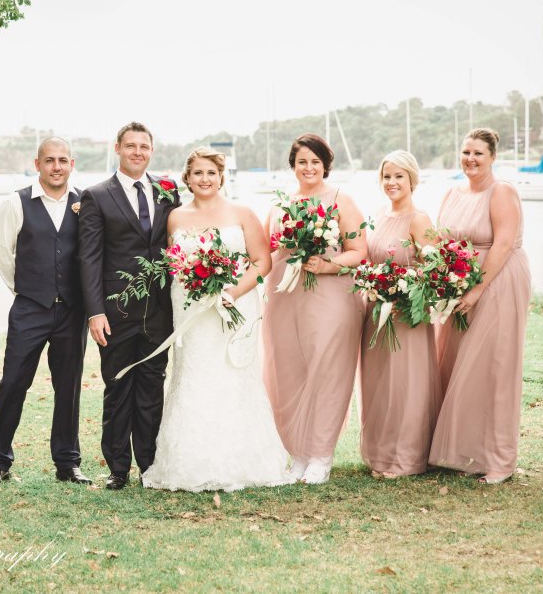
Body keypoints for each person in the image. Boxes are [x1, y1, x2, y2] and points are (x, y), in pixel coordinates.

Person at [142, 148, 293, 492]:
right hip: (191, 310)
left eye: (211, 172)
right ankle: (190, 464)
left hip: (233, 307)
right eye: (197, 173)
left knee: (232, 375)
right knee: (194, 375)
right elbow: (175, 263)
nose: (205, 179)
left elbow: (262, 262)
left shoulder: (242, 213)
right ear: (187, 178)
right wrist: (197, 281)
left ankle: (239, 461)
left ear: (221, 176)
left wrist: (231, 292)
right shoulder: (176, 217)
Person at [0, 138, 90, 486]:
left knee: (68, 386)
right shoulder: (16, 202)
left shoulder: (85, 203)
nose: (56, 167)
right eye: (49, 160)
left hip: (72, 311)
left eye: (62, 160)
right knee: (13, 382)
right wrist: (26, 288)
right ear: (37, 164)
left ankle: (67, 463)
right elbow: (2, 253)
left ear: (71, 164)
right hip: (30, 308)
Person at [78, 122, 181, 490]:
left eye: (144, 146)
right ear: (118, 148)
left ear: (151, 151)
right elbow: (90, 257)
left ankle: (149, 466)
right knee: (118, 387)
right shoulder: (96, 196)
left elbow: (178, 242)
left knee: (152, 387)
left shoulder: (168, 191)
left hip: (160, 311)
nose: (138, 152)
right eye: (131, 145)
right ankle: (118, 467)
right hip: (116, 311)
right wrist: (95, 312)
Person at [261, 133, 367, 484]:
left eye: (315, 162)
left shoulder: (340, 200)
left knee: (326, 369)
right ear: (292, 165)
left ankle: (321, 455)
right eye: (302, 162)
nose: (308, 168)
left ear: (326, 165)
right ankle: (297, 453)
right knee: (287, 370)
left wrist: (327, 265)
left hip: (330, 296)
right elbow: (264, 251)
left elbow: (358, 252)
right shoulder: (280, 205)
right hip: (284, 297)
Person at [429, 128, 531, 485]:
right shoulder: (451, 193)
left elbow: (503, 244)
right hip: (459, 284)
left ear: (492, 158)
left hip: (497, 281)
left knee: (493, 367)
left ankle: (500, 460)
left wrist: (476, 290)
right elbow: (440, 242)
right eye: (466, 152)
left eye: (478, 153)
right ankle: (466, 452)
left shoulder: (501, 192)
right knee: (459, 365)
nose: (470, 159)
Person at [358, 150, 442, 479]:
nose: (391, 182)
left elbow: (435, 268)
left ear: (412, 180)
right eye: (386, 176)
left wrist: (404, 290)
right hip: (376, 310)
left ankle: (406, 457)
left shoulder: (419, 220)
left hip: (407, 314)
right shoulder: (380, 214)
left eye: (398, 176)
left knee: (406, 384)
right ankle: (380, 453)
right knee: (379, 383)